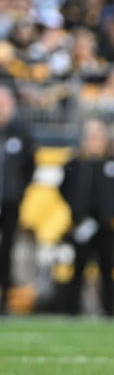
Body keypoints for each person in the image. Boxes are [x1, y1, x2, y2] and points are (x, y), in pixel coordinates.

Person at [58, 117, 114, 317]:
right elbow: (63, 189)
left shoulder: (113, 164)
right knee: (78, 269)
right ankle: (72, 310)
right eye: (91, 137)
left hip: (107, 226)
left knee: (108, 271)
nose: (94, 141)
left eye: (98, 137)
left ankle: (110, 311)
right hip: (82, 224)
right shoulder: (75, 163)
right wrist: (77, 211)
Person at [0, 84, 36, 314]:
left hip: (9, 202)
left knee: (7, 251)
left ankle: (4, 300)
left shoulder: (20, 133)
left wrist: (17, 192)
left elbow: (29, 168)